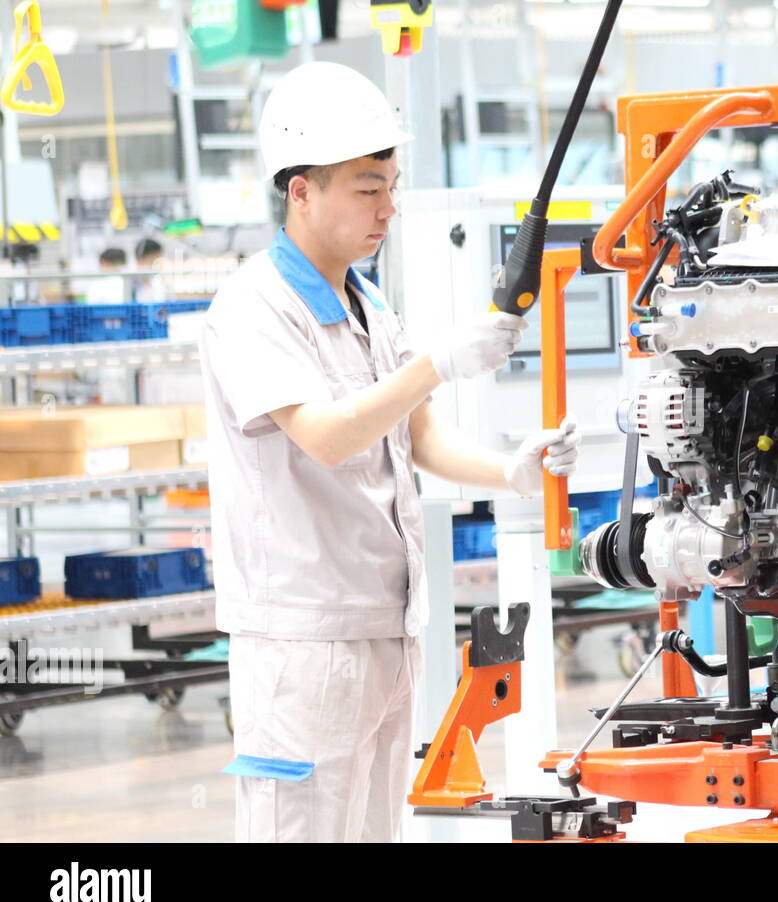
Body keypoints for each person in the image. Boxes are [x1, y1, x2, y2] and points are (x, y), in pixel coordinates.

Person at [198, 61, 581, 843]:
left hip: (388, 627)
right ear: (300, 191)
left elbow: (417, 434)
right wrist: (437, 359)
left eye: (391, 186)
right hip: (303, 641)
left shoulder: (367, 302)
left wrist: (509, 469)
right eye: (368, 188)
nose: (389, 207)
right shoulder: (253, 307)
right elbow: (328, 435)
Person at [133, 238, 167, 303]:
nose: (158, 263)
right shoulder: (130, 279)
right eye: (154, 259)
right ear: (141, 258)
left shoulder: (156, 279)